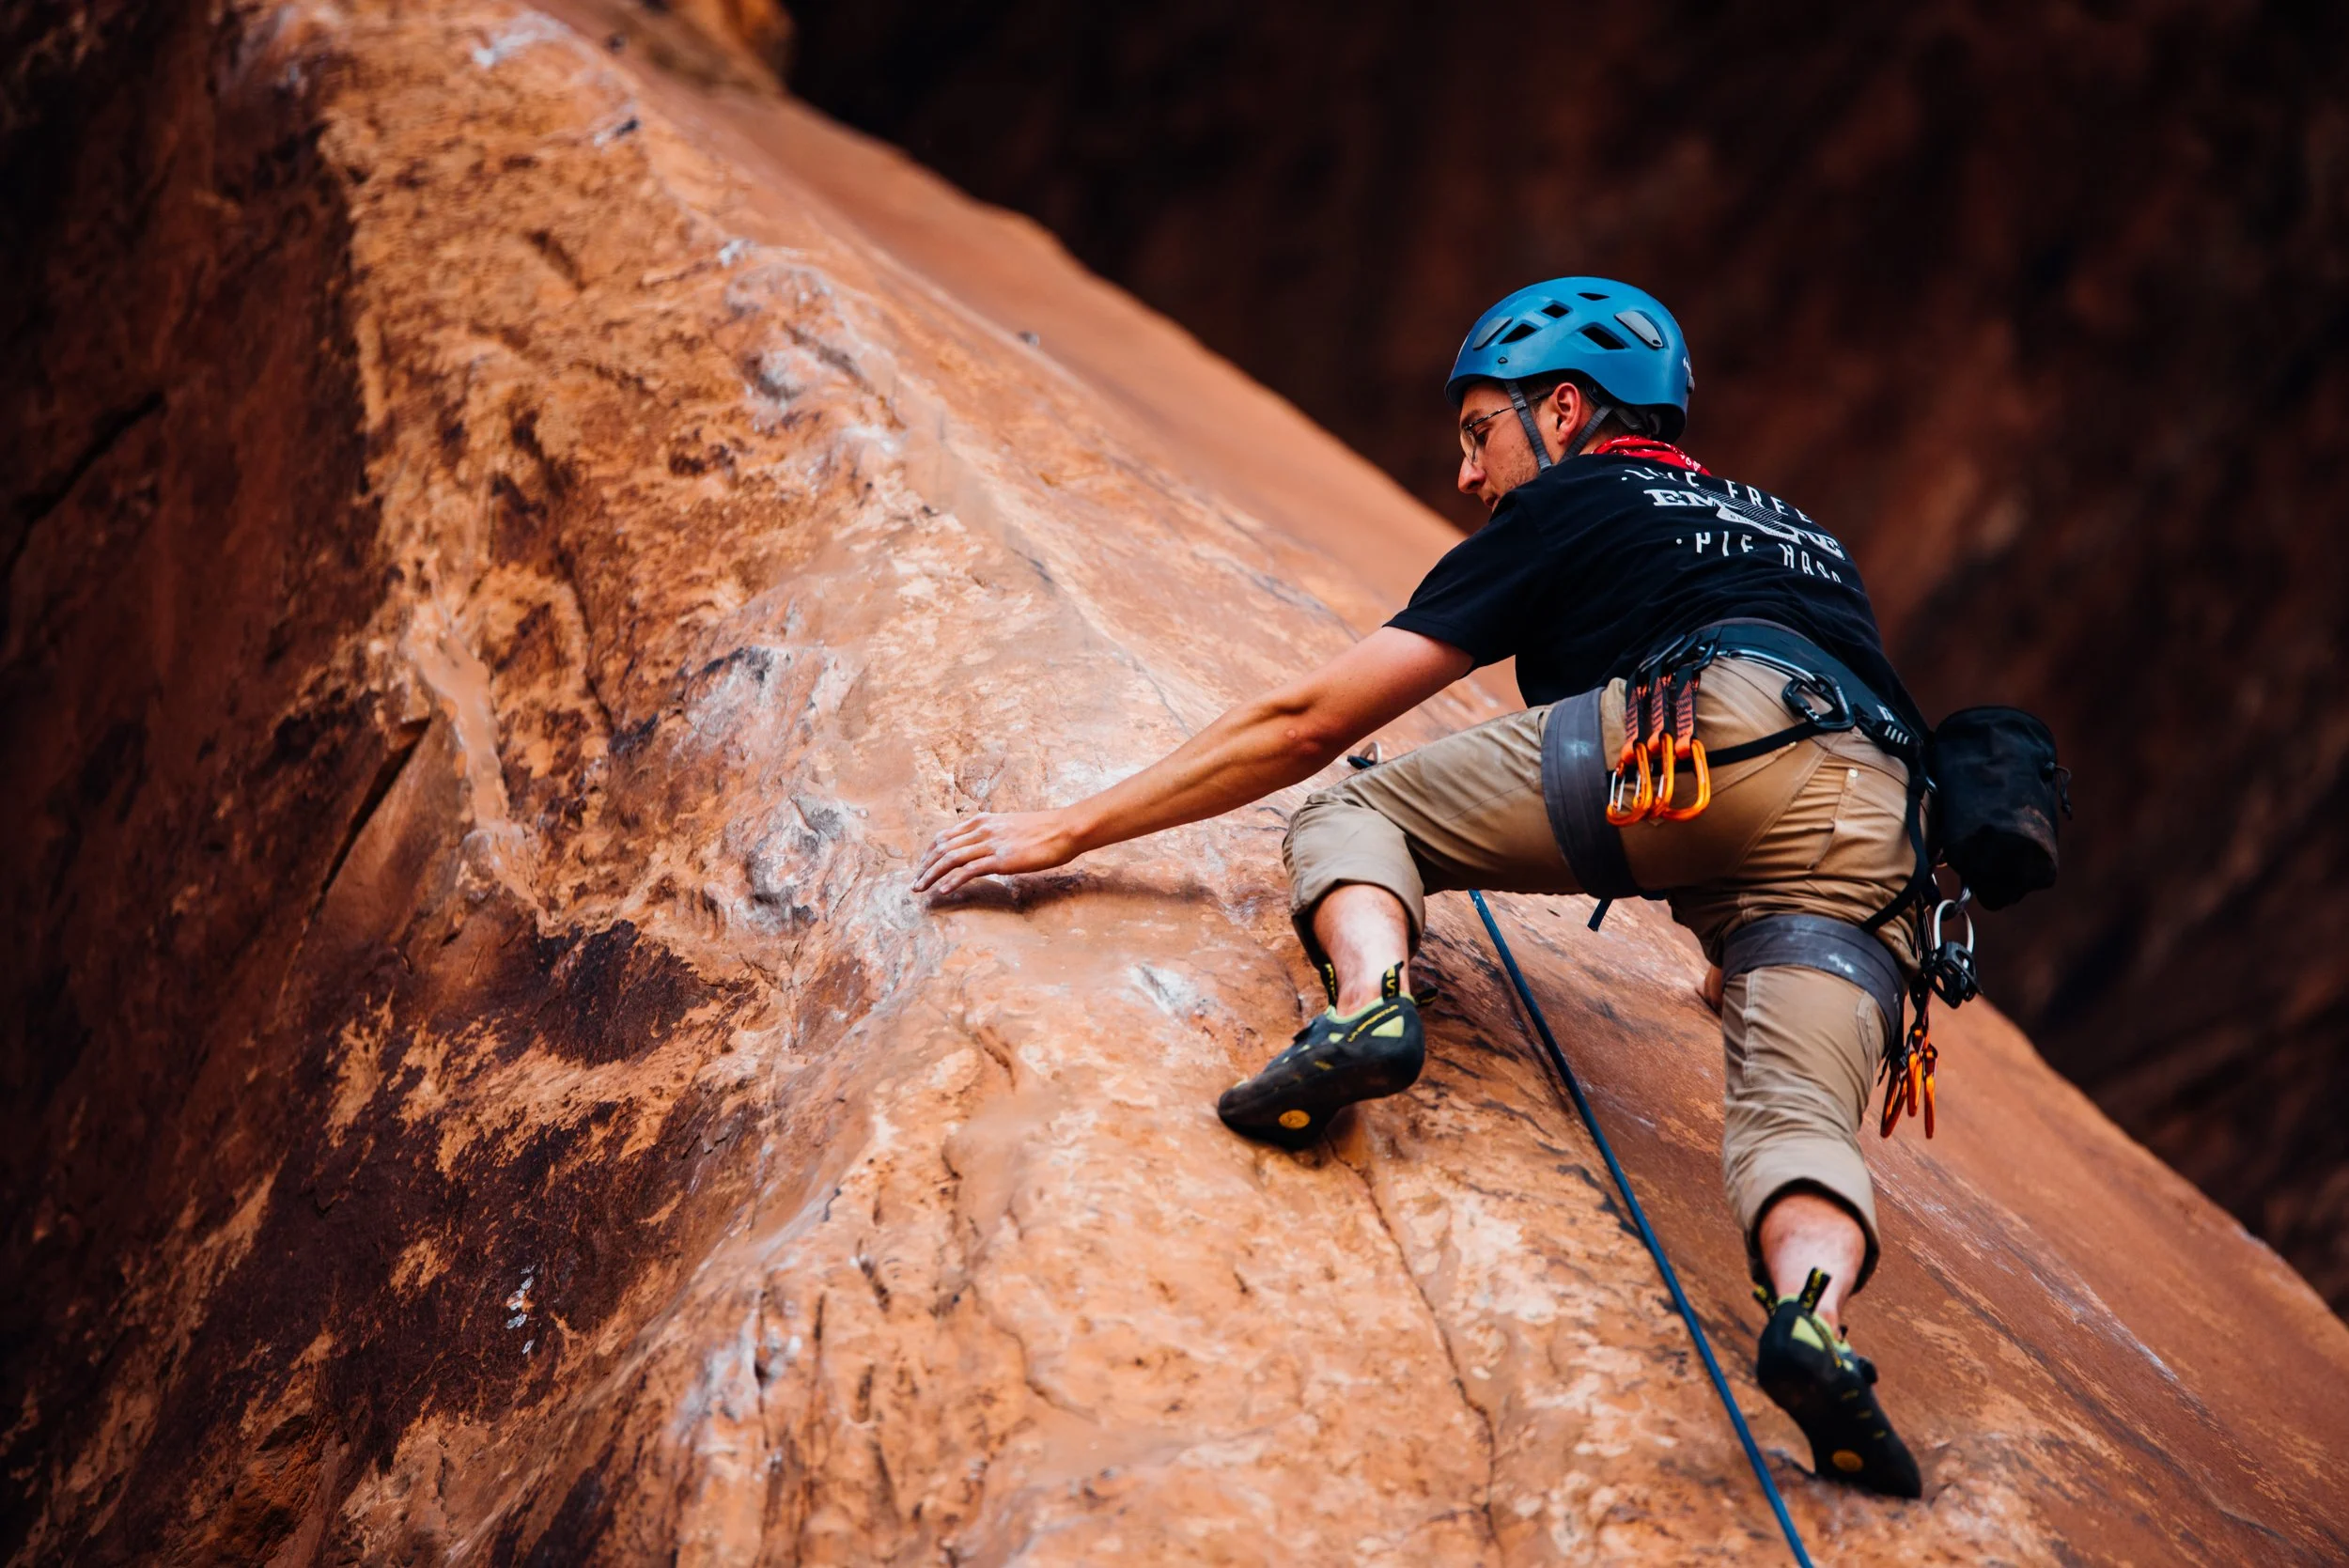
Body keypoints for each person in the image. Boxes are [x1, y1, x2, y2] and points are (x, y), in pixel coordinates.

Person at [914, 277, 1927, 1498]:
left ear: (1565, 408)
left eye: (1477, 431)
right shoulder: (1804, 534)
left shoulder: (1581, 499)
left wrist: (1069, 826)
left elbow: (1308, 724)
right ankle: (1813, 1317)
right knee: (1801, 1119)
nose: (1468, 474)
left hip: (1696, 734)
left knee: (1357, 801)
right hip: (1885, 826)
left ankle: (1370, 1004)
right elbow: (1807, 770)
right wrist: (1736, 956)